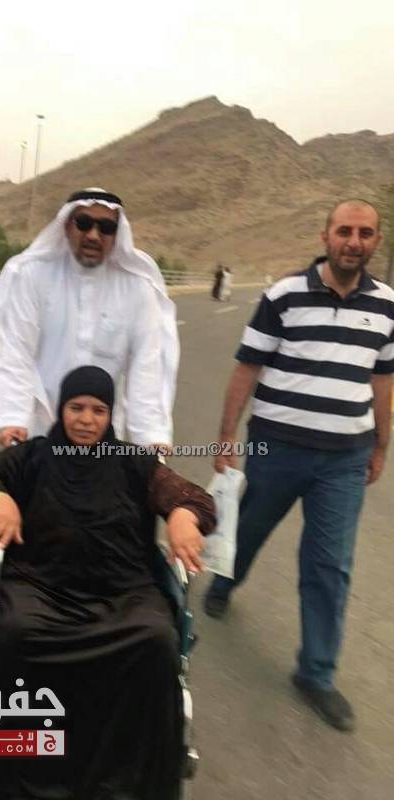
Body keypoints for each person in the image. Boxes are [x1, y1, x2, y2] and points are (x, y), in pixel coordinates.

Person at [0, 365, 216, 800]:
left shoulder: (134, 463)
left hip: (124, 590)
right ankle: (25, 777)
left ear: (110, 415)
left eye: (98, 410)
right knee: (18, 633)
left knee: (156, 640)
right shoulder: (31, 458)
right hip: (40, 585)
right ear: (61, 409)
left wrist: (184, 516)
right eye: (76, 408)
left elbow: (191, 496)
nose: (86, 420)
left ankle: (128, 779)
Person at [204, 199, 394, 731]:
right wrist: (226, 437)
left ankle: (316, 673)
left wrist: (381, 444)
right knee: (250, 527)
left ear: (376, 241)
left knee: (330, 563)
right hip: (278, 446)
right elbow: (247, 368)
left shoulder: (387, 306)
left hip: (345, 457)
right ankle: (224, 582)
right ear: (325, 236)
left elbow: (383, 379)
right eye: (344, 231)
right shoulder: (284, 295)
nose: (353, 241)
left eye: (365, 233)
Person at [0, 187, 179, 449]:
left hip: (102, 435)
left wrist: (150, 437)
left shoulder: (137, 288)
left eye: (105, 228)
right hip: (39, 428)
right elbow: (15, 352)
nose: (93, 235)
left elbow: (147, 368)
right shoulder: (32, 275)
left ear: (117, 234)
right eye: (84, 223)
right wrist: (13, 417)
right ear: (67, 226)